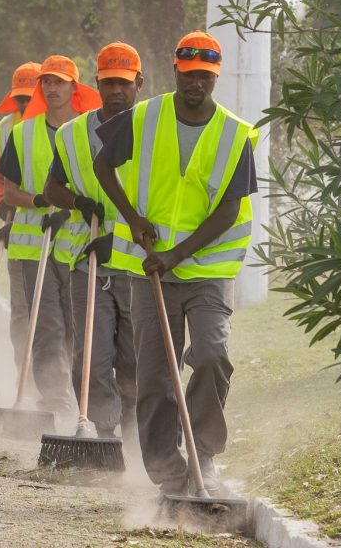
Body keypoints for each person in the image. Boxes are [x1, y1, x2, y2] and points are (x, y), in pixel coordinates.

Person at [93, 31, 259, 499]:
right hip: (151, 275)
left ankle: (203, 456)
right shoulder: (142, 118)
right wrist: (133, 218)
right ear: (176, 72)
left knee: (211, 356)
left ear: (215, 77)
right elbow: (105, 166)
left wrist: (176, 255)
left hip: (206, 271)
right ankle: (169, 474)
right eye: (189, 74)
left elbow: (228, 210)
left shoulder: (234, 133)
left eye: (206, 76)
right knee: (156, 376)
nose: (196, 84)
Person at [42, 42, 144, 440]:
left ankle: (137, 437)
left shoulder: (153, 131)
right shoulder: (72, 135)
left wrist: (119, 239)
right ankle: (103, 436)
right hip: (89, 263)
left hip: (137, 265)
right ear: (97, 82)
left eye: (124, 83)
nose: (116, 91)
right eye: (108, 83)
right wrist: (77, 201)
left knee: (135, 360)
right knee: (91, 357)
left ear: (139, 82)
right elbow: (52, 187)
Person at [0, 55, 102, 416]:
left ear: (76, 86)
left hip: (77, 248)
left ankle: (79, 403)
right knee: (47, 329)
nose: (52, 88)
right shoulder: (22, 133)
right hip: (33, 249)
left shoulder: (91, 131)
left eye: (60, 82)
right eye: (47, 82)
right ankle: (56, 404)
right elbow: (9, 192)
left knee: (77, 331)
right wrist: (41, 201)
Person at [0, 62, 40, 219]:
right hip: (18, 222)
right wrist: (1, 201)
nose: (24, 104)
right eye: (20, 99)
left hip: (57, 221)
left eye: (29, 99)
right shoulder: (5, 127)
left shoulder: (59, 124)